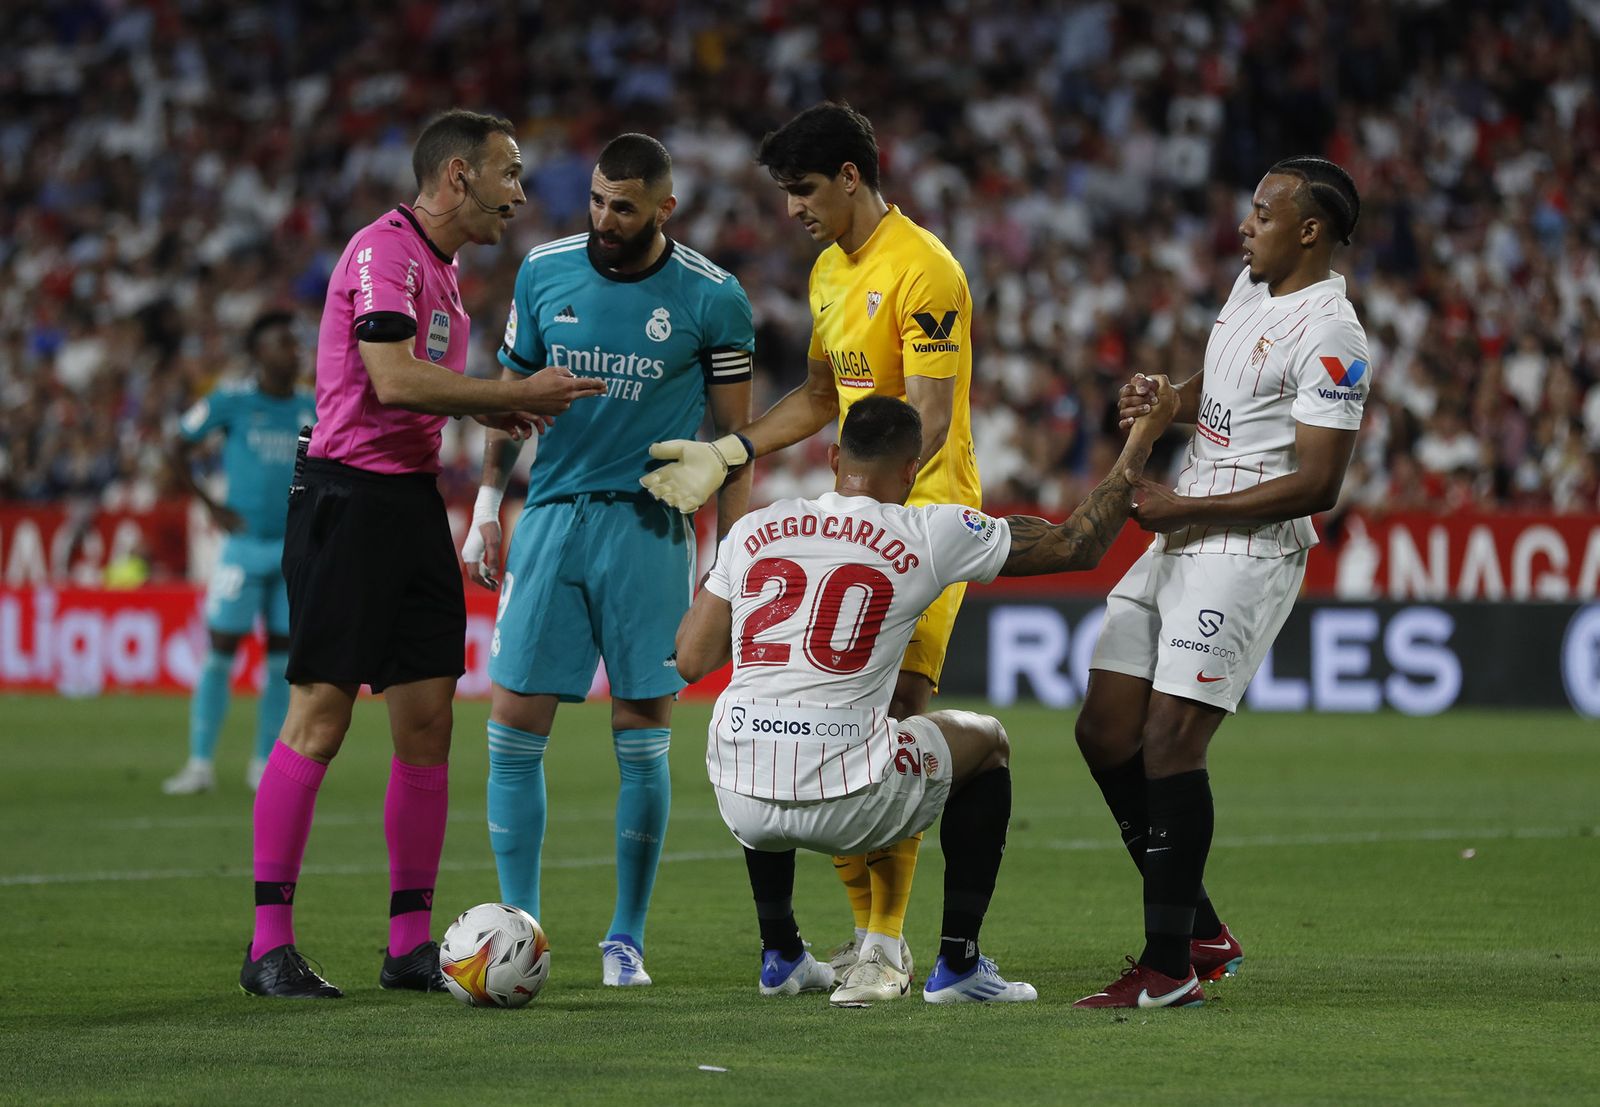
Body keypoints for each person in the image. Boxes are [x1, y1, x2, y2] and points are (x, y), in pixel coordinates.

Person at [240, 109, 606, 999]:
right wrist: (502, 392)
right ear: (455, 177)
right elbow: (393, 378)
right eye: (508, 174)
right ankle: (267, 946)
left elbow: (421, 393)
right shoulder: (385, 252)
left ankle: (410, 942)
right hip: (346, 501)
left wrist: (487, 407)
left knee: (429, 722)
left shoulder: (440, 271)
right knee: (320, 718)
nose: (519, 193)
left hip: (408, 502)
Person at [674, 388, 1176, 1004]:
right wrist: (1141, 440)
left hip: (740, 794)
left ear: (833, 458)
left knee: (757, 721)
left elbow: (693, 658)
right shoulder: (929, 530)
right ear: (913, 471)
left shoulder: (755, 528)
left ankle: (779, 951)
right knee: (987, 742)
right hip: (847, 799)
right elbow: (1080, 544)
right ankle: (959, 966)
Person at [642, 102, 979, 1005]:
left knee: (896, 712)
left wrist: (874, 528)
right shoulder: (833, 271)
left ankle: (883, 943)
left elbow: (933, 425)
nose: (791, 208)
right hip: (855, 510)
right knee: (839, 714)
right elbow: (826, 396)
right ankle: (868, 936)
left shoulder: (927, 273)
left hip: (922, 517)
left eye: (802, 190)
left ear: (852, 177)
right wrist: (730, 450)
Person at [1072, 156, 1370, 1008]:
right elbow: (1223, 389)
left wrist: (1187, 511)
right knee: (1105, 730)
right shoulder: (1251, 288)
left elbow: (1320, 482)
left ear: (1309, 230)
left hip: (1242, 548)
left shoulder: (1333, 333)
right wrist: (1168, 399)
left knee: (1171, 741)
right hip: (1181, 521)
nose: (1246, 224)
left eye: (1265, 211)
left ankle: (1167, 969)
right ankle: (1199, 925)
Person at [461, 132, 754, 987]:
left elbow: (734, 445)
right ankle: (521, 927)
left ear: (665, 207)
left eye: (623, 206)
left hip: (649, 527)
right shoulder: (544, 271)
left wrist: (725, 566)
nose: (603, 218)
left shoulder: (713, 299)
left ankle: (626, 938)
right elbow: (506, 404)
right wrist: (486, 510)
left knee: (642, 731)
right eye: (595, 199)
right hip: (550, 517)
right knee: (514, 727)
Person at [162, 311, 315, 796]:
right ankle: (200, 763)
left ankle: (263, 763)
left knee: (280, 660)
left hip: (291, 552)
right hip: (242, 548)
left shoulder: (313, 408)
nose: (293, 352)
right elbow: (177, 445)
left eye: (295, 344)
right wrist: (211, 504)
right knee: (220, 651)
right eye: (282, 345)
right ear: (258, 353)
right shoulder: (231, 403)